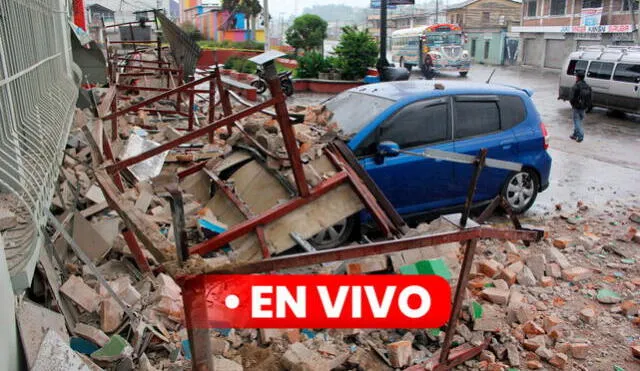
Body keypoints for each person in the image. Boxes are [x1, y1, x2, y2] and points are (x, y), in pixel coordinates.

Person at [569, 71, 591, 143]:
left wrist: (573, 104)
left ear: (577, 77)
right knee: (579, 121)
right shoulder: (587, 86)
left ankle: (580, 136)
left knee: (577, 122)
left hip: (577, 107)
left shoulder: (576, 86)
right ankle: (575, 135)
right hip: (584, 107)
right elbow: (590, 97)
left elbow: (571, 97)